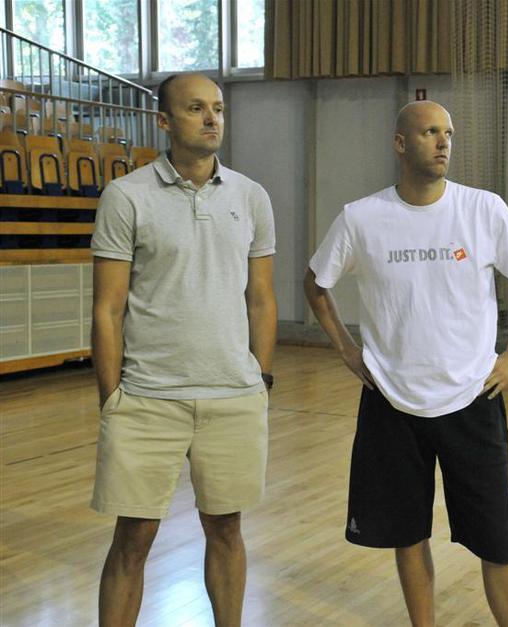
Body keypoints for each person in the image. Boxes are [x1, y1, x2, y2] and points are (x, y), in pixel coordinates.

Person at [303, 100, 508, 626]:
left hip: (473, 399)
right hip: (391, 403)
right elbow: (316, 284)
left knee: (497, 542)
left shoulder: (483, 209)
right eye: (430, 132)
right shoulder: (361, 217)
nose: (443, 143)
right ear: (400, 143)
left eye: (449, 134)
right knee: (408, 535)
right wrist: (347, 350)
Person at [90, 72, 277, 627]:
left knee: (226, 529)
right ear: (165, 121)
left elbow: (262, 299)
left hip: (233, 395)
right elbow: (108, 309)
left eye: (218, 107)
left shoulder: (251, 196)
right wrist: (112, 399)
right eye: (196, 108)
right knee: (134, 537)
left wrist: (261, 378)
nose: (212, 118)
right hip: (147, 399)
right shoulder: (126, 196)